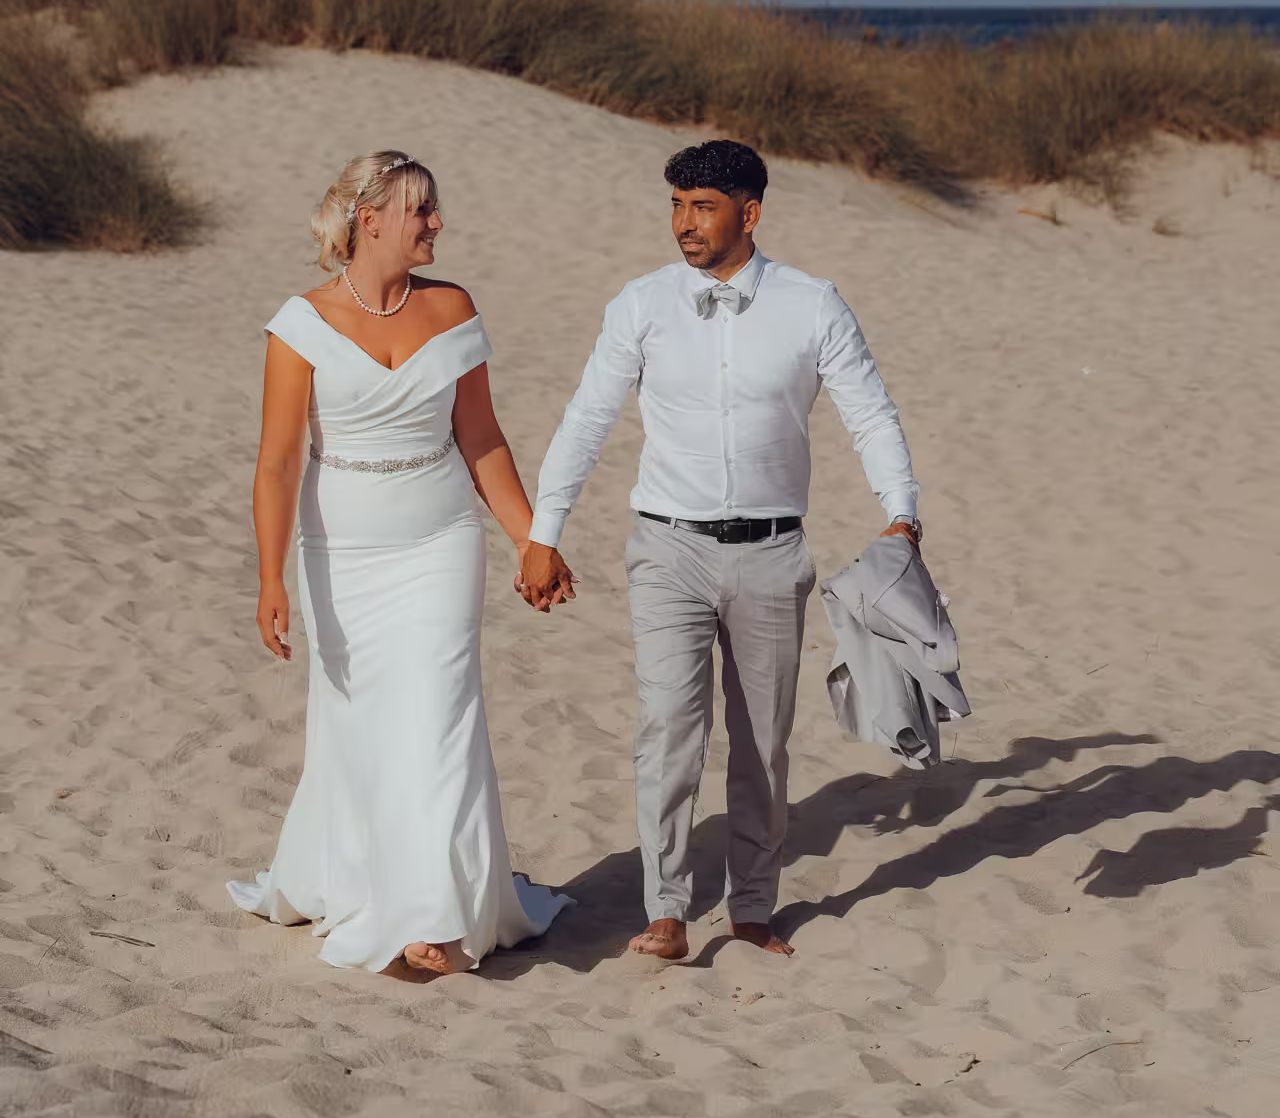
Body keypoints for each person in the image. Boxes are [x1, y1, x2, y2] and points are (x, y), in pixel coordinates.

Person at [518, 140, 920, 961]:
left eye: (702, 206)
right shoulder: (641, 303)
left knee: (762, 741)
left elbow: (869, 413)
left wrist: (902, 513)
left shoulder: (813, 305)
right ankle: (665, 909)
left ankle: (753, 909)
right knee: (668, 727)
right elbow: (586, 419)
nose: (684, 224)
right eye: (675, 205)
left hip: (774, 554)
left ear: (751, 211)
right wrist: (542, 532)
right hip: (667, 550)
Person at [229, 152, 571, 977]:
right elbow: (277, 463)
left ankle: (433, 913)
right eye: (421, 209)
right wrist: (270, 576)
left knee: (441, 708)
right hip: (339, 549)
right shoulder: (299, 324)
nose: (436, 224)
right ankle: (362, 876)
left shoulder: (452, 309)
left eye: (435, 209)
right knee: (359, 721)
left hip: (440, 539)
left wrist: (534, 537)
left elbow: (481, 438)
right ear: (369, 219)